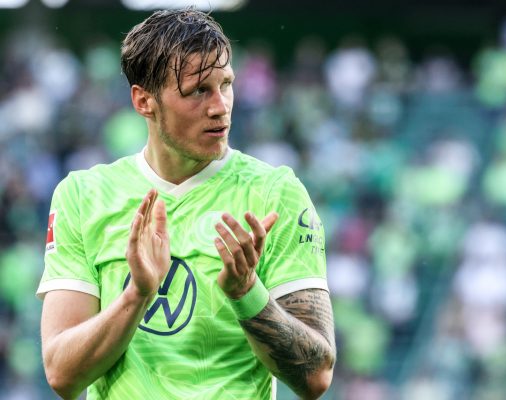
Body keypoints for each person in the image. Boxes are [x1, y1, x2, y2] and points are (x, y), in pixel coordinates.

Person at [38, 8, 335, 400]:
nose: (220, 106)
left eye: (226, 84)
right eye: (198, 91)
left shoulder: (274, 193)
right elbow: (62, 375)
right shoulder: (83, 195)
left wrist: (246, 292)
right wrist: (137, 295)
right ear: (144, 101)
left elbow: (316, 378)